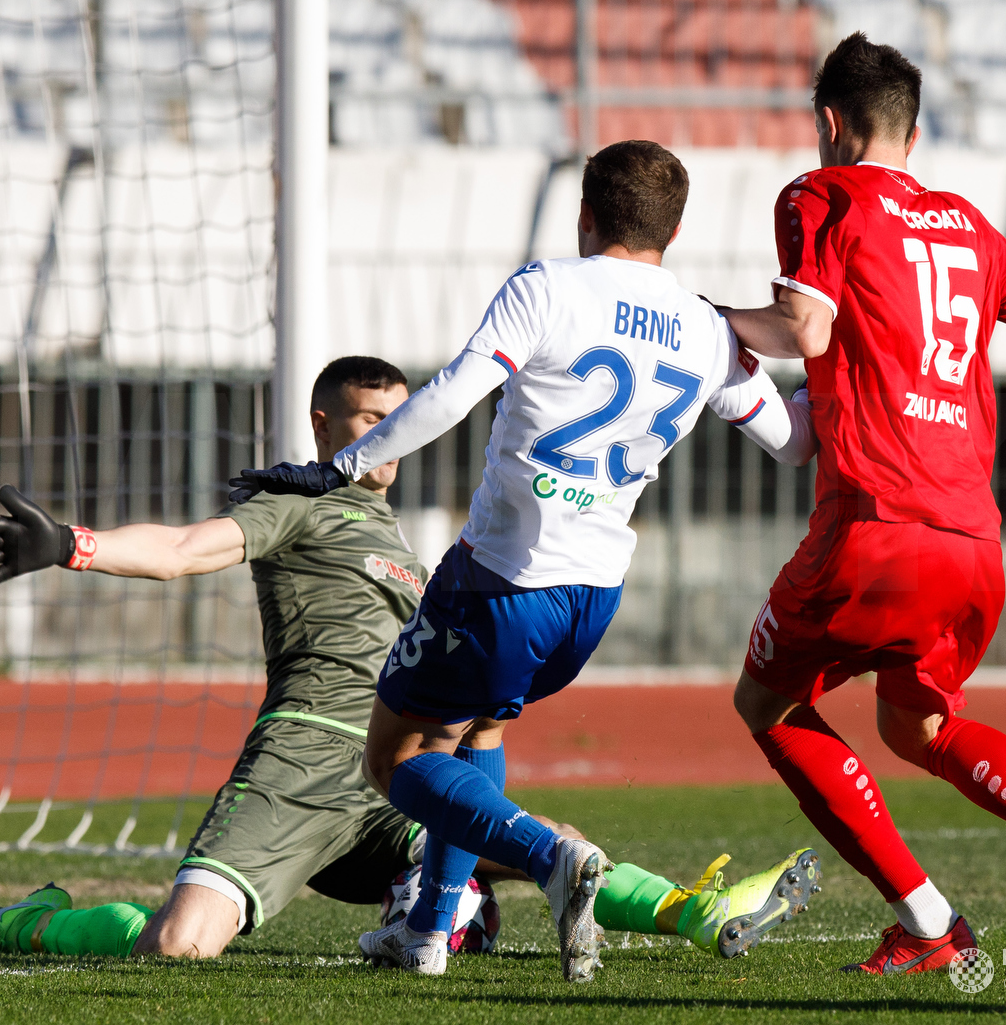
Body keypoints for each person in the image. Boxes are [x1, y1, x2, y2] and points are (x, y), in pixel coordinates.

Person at [0, 356, 814, 963]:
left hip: (397, 776)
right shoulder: (301, 501)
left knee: (559, 844)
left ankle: (698, 912)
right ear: (326, 424)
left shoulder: (404, 537)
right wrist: (73, 543)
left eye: (399, 416)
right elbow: (185, 547)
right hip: (301, 761)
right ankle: (39, 921)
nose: (390, 434)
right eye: (370, 418)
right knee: (175, 944)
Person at [228, 141, 822, 981]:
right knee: (480, 725)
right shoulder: (705, 328)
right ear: (676, 228)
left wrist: (339, 467)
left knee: (394, 756)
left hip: (502, 578)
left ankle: (552, 856)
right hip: (594, 598)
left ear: (584, 214)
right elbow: (796, 443)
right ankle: (427, 933)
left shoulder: (548, 289)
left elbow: (449, 394)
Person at [712, 33, 1006, 977]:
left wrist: (685, 314)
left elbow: (799, 324)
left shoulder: (819, 196)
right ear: (916, 133)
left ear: (830, 124)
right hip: (972, 539)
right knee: (917, 727)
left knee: (765, 700)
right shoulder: (968, 225)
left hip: (873, 525)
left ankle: (932, 922)